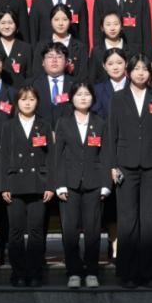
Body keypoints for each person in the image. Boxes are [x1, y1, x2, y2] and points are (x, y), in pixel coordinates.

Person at [104, 53, 152, 288]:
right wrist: (112, 165)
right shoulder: (118, 98)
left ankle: (150, 273)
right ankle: (128, 273)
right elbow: (111, 132)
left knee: (149, 220)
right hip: (125, 164)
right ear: (128, 72)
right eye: (136, 69)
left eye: (145, 69)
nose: (141, 73)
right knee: (128, 220)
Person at [54, 82, 110, 288]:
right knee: (70, 231)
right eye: (79, 94)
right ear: (71, 98)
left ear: (93, 98)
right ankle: (74, 271)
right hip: (69, 184)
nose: (83, 98)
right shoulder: (63, 123)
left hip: (94, 183)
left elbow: (106, 155)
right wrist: (59, 184)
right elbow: (58, 156)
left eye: (87, 94)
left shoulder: (100, 122)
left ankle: (92, 271)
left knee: (93, 231)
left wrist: (106, 184)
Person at [0, 86, 53, 287]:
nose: (27, 103)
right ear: (17, 103)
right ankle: (18, 273)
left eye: (31, 99)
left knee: (37, 231)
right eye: (23, 99)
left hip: (39, 184)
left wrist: (51, 185)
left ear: (37, 101)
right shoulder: (8, 126)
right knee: (15, 231)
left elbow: (51, 157)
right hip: (15, 184)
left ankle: (35, 272)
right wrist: (4, 185)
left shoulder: (44, 125)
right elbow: (3, 157)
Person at [32, 5, 88, 81]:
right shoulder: (41, 46)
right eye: (56, 19)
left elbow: (83, 75)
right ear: (51, 21)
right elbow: (36, 73)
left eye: (65, 19)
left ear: (70, 21)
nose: (60, 23)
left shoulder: (80, 47)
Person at [31, 43, 77, 126]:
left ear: (66, 62)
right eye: (50, 57)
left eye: (59, 57)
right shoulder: (33, 84)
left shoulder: (76, 85)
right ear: (43, 62)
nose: (54, 60)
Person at [88, 11, 133, 83]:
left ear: (121, 26)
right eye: (108, 24)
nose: (112, 28)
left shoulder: (131, 50)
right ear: (102, 28)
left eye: (116, 24)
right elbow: (92, 78)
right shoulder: (96, 52)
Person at [0, 9, 33, 85]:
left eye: (10, 23)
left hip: (20, 90)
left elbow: (30, 74)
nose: (6, 26)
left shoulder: (26, 48)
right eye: (2, 23)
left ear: (16, 25)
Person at [91, 48, 127, 119]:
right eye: (110, 64)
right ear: (104, 66)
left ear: (126, 64)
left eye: (119, 63)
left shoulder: (135, 86)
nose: (115, 67)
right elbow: (97, 117)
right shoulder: (98, 89)